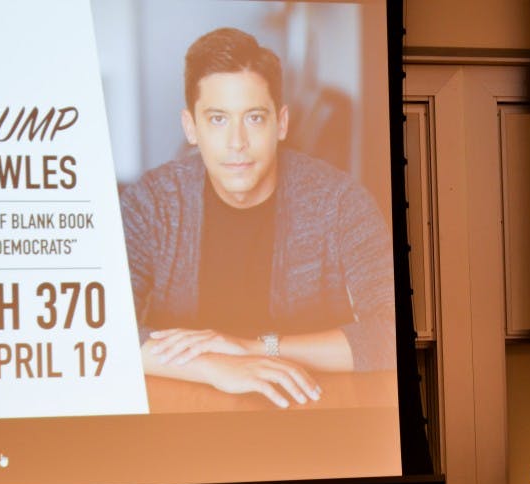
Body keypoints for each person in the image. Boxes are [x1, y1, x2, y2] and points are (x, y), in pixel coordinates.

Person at [119, 27, 395, 410]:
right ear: (190, 127)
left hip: (311, 418)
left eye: (254, 118)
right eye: (217, 119)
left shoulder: (339, 202)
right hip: (181, 425)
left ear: (281, 123)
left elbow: (392, 333)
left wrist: (254, 348)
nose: (237, 143)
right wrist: (214, 367)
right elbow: (97, 335)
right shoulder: (151, 204)